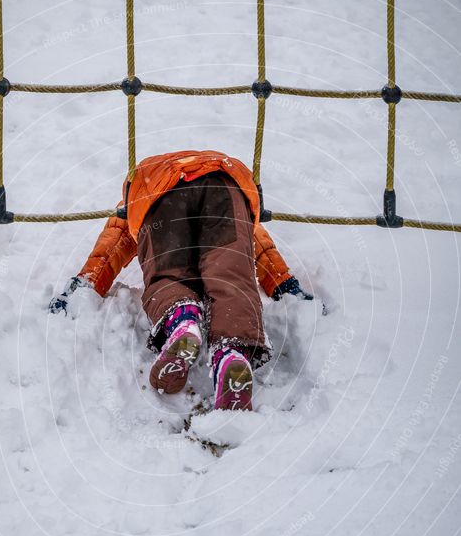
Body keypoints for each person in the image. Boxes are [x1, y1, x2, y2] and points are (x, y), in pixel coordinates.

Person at [49, 149, 313, 411]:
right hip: (223, 182)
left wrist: (87, 281)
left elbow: (112, 244)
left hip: (159, 194)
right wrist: (283, 283)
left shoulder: (136, 201)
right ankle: (231, 352)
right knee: (232, 277)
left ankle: (183, 321)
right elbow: (257, 242)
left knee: (167, 274)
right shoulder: (214, 177)